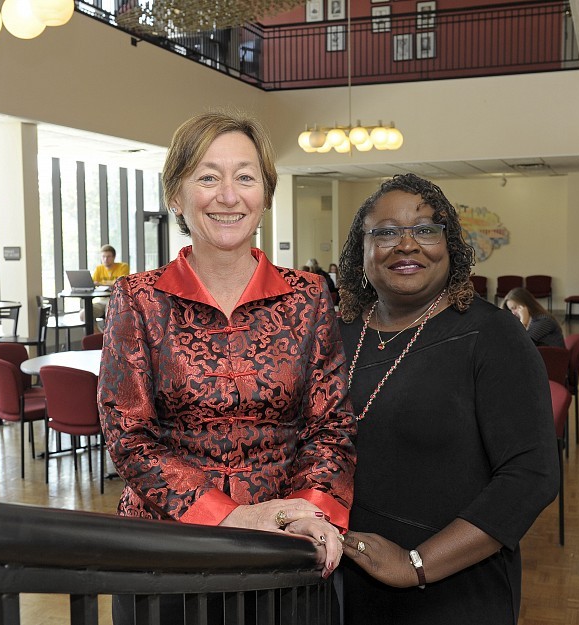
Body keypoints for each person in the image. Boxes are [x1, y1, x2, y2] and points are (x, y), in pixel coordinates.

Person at [98, 111, 356, 624]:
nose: (229, 195)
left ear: (264, 193)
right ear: (176, 194)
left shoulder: (308, 297)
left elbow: (331, 426)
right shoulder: (137, 299)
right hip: (169, 553)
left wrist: (307, 512)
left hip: (286, 552)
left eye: (245, 177)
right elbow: (128, 434)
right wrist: (234, 515)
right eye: (208, 177)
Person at [336, 174, 559, 625]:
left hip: (450, 587)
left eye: (424, 229)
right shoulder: (338, 331)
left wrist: (416, 563)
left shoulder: (491, 335)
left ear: (450, 245)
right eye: (384, 232)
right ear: (360, 250)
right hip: (342, 582)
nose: (406, 245)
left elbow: (530, 475)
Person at [81, 244, 130, 325]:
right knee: (84, 314)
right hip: (102, 300)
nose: (105, 259)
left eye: (108, 256)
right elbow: (92, 284)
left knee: (111, 310)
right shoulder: (99, 269)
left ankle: (109, 337)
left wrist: (100, 283)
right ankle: (98, 336)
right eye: (103, 256)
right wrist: (110, 284)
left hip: (117, 299)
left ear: (114, 257)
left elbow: (120, 282)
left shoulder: (123, 266)